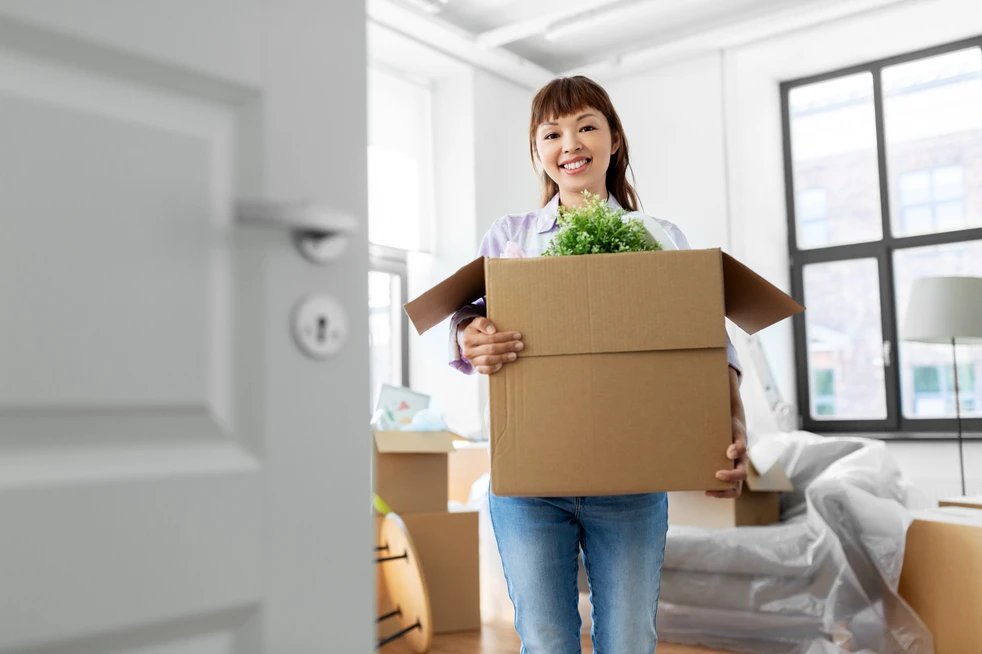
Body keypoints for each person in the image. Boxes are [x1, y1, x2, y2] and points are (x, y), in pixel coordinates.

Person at [447, 75, 749, 654]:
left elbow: (708, 342)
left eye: (587, 125)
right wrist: (468, 334)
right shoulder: (510, 238)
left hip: (631, 483)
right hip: (529, 482)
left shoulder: (658, 237)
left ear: (614, 139)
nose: (571, 142)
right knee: (546, 639)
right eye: (552, 132)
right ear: (537, 153)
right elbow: (464, 317)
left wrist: (732, 426)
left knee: (630, 640)